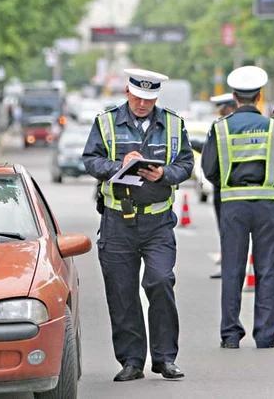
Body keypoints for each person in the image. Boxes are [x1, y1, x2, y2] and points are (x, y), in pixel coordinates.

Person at [82, 68, 194, 382]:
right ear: (128, 93)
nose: (143, 104)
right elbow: (90, 160)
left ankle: (164, 359)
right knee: (122, 292)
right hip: (118, 221)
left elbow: (186, 163)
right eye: (138, 97)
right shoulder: (106, 122)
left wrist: (165, 175)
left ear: (156, 97)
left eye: (149, 99)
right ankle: (132, 361)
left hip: (158, 221)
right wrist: (119, 166)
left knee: (160, 282)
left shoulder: (173, 124)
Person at [200, 66, 274, 350]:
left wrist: (228, 186)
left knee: (232, 269)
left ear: (234, 96)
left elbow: (208, 169)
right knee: (266, 271)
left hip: (233, 207)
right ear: (259, 95)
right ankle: (265, 336)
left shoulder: (220, 128)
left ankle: (230, 335)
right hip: (267, 207)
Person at [207, 93, 238, 280]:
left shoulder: (222, 127)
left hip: (224, 189)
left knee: (228, 232)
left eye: (222, 109)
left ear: (230, 107)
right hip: (234, 188)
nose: (219, 113)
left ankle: (229, 268)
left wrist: (218, 182)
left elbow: (209, 164)